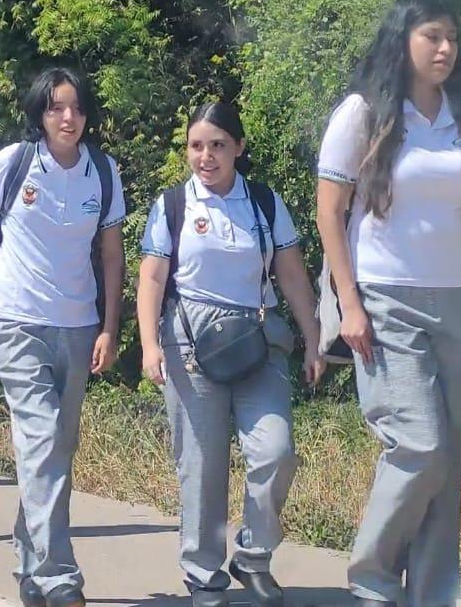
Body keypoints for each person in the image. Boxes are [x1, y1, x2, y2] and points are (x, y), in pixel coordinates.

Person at [316, 0, 461, 607]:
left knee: (448, 458)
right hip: (384, 296)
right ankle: (373, 577)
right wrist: (349, 302)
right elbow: (330, 213)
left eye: (452, 40)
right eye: (432, 36)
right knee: (419, 444)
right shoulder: (362, 114)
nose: (444, 49)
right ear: (403, 41)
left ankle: (433, 594)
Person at [137, 102, 324, 607]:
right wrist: (150, 344)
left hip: (258, 340)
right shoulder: (173, 204)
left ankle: (253, 554)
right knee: (201, 464)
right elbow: (152, 276)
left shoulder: (263, 203)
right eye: (197, 146)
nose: (206, 156)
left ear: (238, 148)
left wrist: (312, 338)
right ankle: (203, 576)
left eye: (218, 145)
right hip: (189, 346)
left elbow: (291, 274)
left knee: (274, 450)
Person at [0, 68, 126, 607]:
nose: (68, 118)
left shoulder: (102, 172)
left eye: (76, 108)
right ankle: (59, 578)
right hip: (15, 318)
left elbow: (111, 255)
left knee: (57, 448)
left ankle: (30, 566)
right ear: (40, 113)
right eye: (56, 107)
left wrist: (109, 326)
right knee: (42, 441)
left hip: (77, 325)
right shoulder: (15, 162)